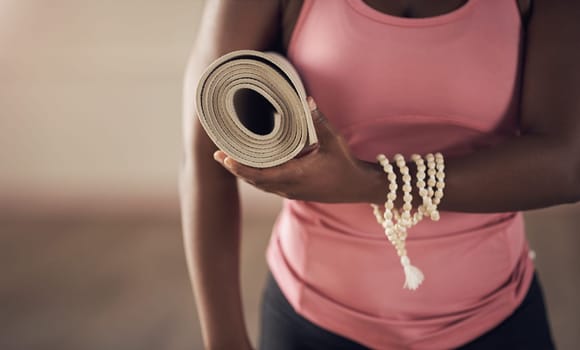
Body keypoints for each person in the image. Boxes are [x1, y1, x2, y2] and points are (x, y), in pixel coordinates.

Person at [180, 0, 579, 349]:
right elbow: (205, 157)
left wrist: (370, 183)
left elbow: (567, 164)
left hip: (494, 317)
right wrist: (225, 341)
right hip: (311, 319)